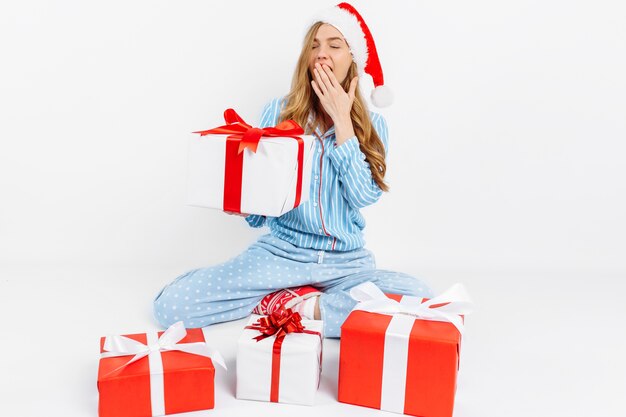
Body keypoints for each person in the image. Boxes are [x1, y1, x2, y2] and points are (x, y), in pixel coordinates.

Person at [154, 2, 433, 338]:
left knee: (419, 296)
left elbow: (363, 196)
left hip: (346, 262)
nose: (322, 53)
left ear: (352, 60)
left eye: (334, 45)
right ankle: (305, 300)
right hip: (281, 254)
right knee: (171, 306)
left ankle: (301, 306)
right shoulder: (278, 111)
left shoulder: (374, 125)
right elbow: (261, 209)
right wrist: (244, 204)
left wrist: (343, 122)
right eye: (314, 45)